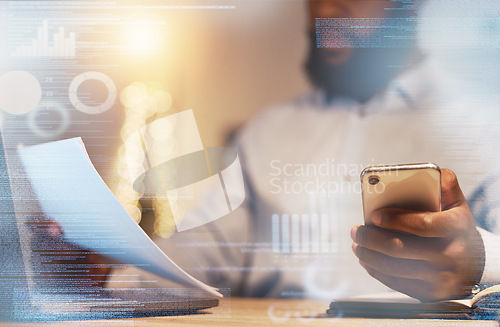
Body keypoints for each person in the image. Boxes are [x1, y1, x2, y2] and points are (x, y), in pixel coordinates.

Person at [31, 0, 500, 301]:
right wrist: (105, 275)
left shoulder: (485, 122)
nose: (325, 9)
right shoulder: (269, 130)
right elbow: (203, 252)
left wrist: (477, 259)